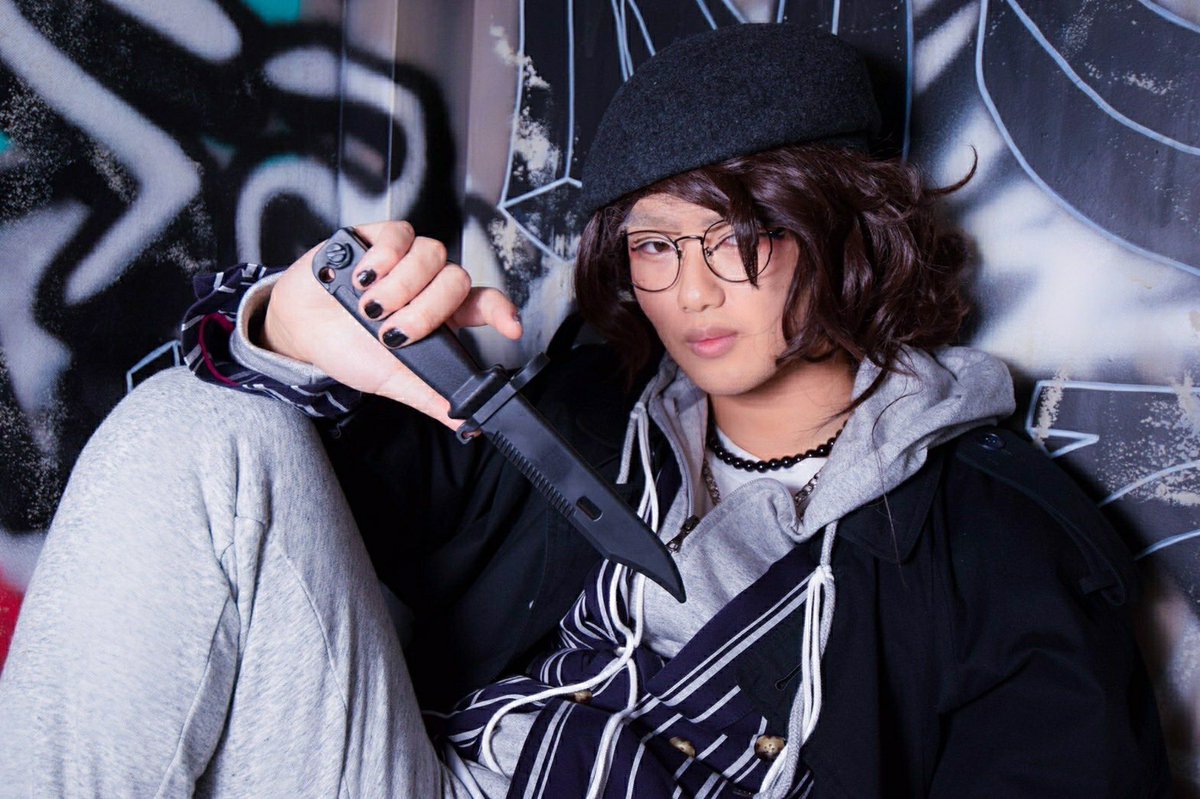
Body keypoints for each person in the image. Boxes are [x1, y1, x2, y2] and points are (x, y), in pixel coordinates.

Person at [0, 23, 1170, 798]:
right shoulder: (577, 411)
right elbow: (253, 513)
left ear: (851, 230)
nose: (693, 290)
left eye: (741, 236)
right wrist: (282, 329)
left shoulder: (996, 543)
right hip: (433, 775)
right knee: (200, 427)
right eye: (655, 245)